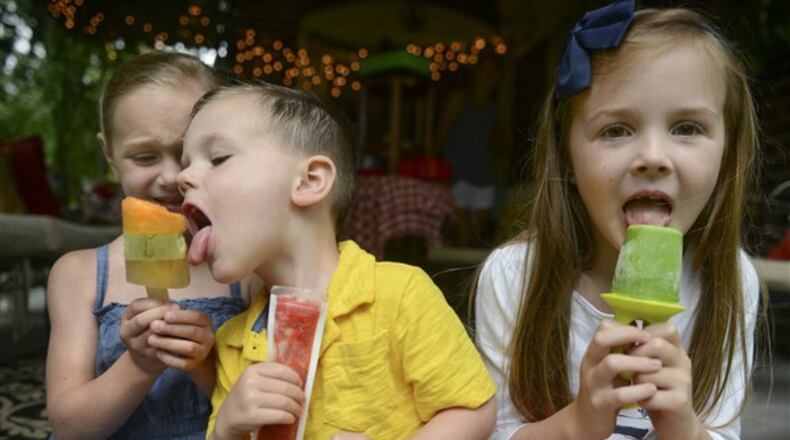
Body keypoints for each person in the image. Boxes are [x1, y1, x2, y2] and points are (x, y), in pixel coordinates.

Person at [474, 1, 764, 439]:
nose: (652, 157)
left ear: (727, 154)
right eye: (615, 131)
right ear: (567, 158)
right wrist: (575, 424)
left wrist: (685, 428)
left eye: (686, 128)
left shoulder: (732, 280)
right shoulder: (513, 275)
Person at [177, 81, 497, 440]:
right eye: (186, 164)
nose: (182, 177)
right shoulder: (235, 341)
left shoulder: (399, 295)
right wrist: (226, 430)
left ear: (310, 181)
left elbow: (472, 410)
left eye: (218, 158)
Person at [46, 52, 257, 439]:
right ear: (109, 154)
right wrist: (140, 365)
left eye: (193, 152)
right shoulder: (78, 274)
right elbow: (69, 427)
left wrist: (203, 364)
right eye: (145, 156)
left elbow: (268, 415)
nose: (172, 176)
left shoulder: (249, 271)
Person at [435, 57, 501, 247]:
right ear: (476, 73)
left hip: (483, 175)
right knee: (462, 237)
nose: (488, 77)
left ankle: (470, 276)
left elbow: (498, 141)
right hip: (457, 174)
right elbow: (440, 134)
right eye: (485, 71)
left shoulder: (493, 108)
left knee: (476, 238)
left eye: (493, 73)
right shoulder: (459, 99)